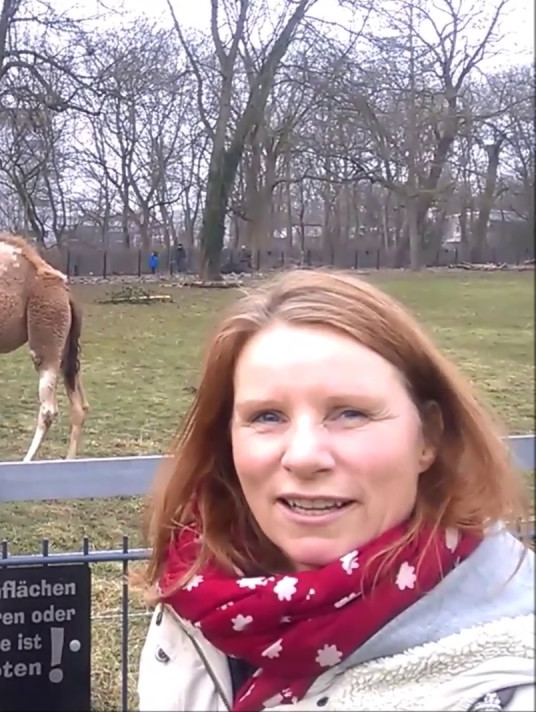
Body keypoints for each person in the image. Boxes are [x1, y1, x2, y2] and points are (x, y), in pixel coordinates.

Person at [135, 269, 534, 711]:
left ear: (429, 437)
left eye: (350, 414)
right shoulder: (199, 597)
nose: (304, 456)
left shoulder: (510, 684)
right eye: (267, 416)